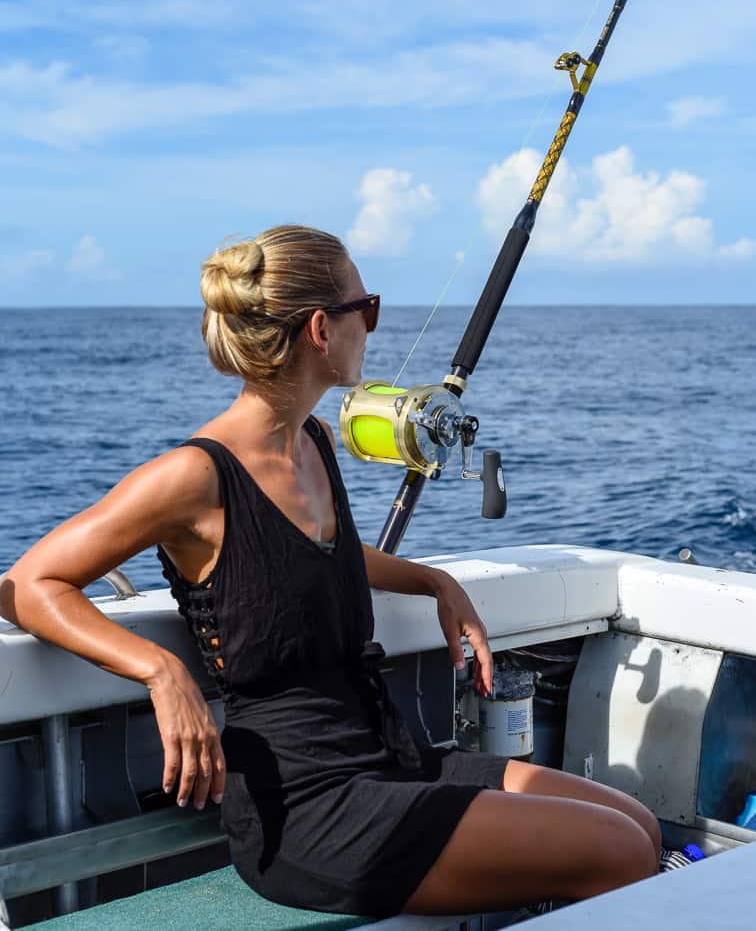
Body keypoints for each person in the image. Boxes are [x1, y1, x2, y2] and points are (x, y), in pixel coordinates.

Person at [0, 225, 660, 918]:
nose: (372, 327)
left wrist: (432, 580)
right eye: (366, 308)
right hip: (307, 810)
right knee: (613, 852)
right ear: (322, 327)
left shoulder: (314, 440)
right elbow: (28, 585)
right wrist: (160, 673)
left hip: (385, 755)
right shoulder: (196, 477)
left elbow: (313, 558)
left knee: (637, 827)